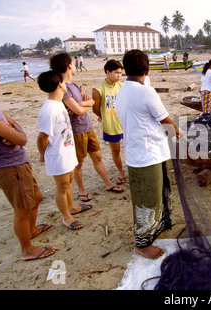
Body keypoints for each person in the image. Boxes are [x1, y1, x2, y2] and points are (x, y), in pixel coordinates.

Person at [0, 58, 56, 261]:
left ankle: (31, 230)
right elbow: (22, 138)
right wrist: (14, 132)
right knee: (21, 210)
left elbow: (15, 127)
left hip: (18, 164)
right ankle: (27, 249)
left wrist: (13, 129)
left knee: (37, 198)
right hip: (10, 167)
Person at [115, 49, 183, 259]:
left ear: (125, 69)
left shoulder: (123, 90)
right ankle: (141, 244)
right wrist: (178, 132)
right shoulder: (146, 92)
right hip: (148, 154)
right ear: (146, 68)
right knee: (148, 199)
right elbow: (165, 119)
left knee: (154, 194)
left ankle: (155, 229)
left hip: (140, 152)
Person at [49, 52, 123, 203]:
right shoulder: (63, 88)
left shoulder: (73, 85)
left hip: (87, 127)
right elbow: (78, 110)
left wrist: (81, 105)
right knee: (79, 162)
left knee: (97, 157)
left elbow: (90, 102)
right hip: (76, 131)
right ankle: (82, 189)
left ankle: (108, 183)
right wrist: (83, 106)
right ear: (69, 65)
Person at [37, 70, 90, 231]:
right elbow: (42, 138)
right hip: (57, 155)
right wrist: (42, 154)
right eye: (63, 82)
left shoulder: (59, 104)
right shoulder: (49, 110)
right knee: (61, 186)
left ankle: (72, 207)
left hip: (67, 150)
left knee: (69, 181)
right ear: (60, 84)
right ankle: (66, 217)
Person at [92, 59, 126, 185]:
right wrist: (104, 116)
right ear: (108, 72)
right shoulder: (98, 89)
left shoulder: (122, 86)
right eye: (116, 73)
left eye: (120, 73)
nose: (119, 75)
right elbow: (95, 109)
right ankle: (121, 173)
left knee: (129, 148)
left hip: (124, 124)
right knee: (116, 151)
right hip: (111, 126)